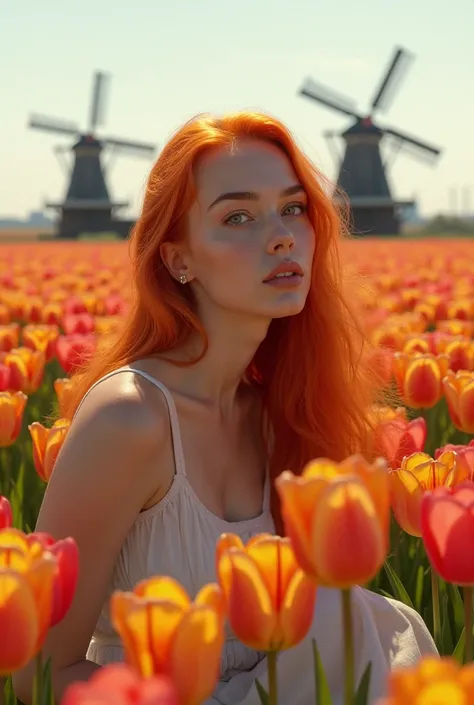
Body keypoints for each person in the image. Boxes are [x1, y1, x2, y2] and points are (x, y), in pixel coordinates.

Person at [13, 111, 437, 705]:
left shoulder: (281, 414)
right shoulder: (130, 418)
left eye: (293, 208)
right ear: (177, 259)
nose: (282, 235)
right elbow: (35, 675)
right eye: (238, 216)